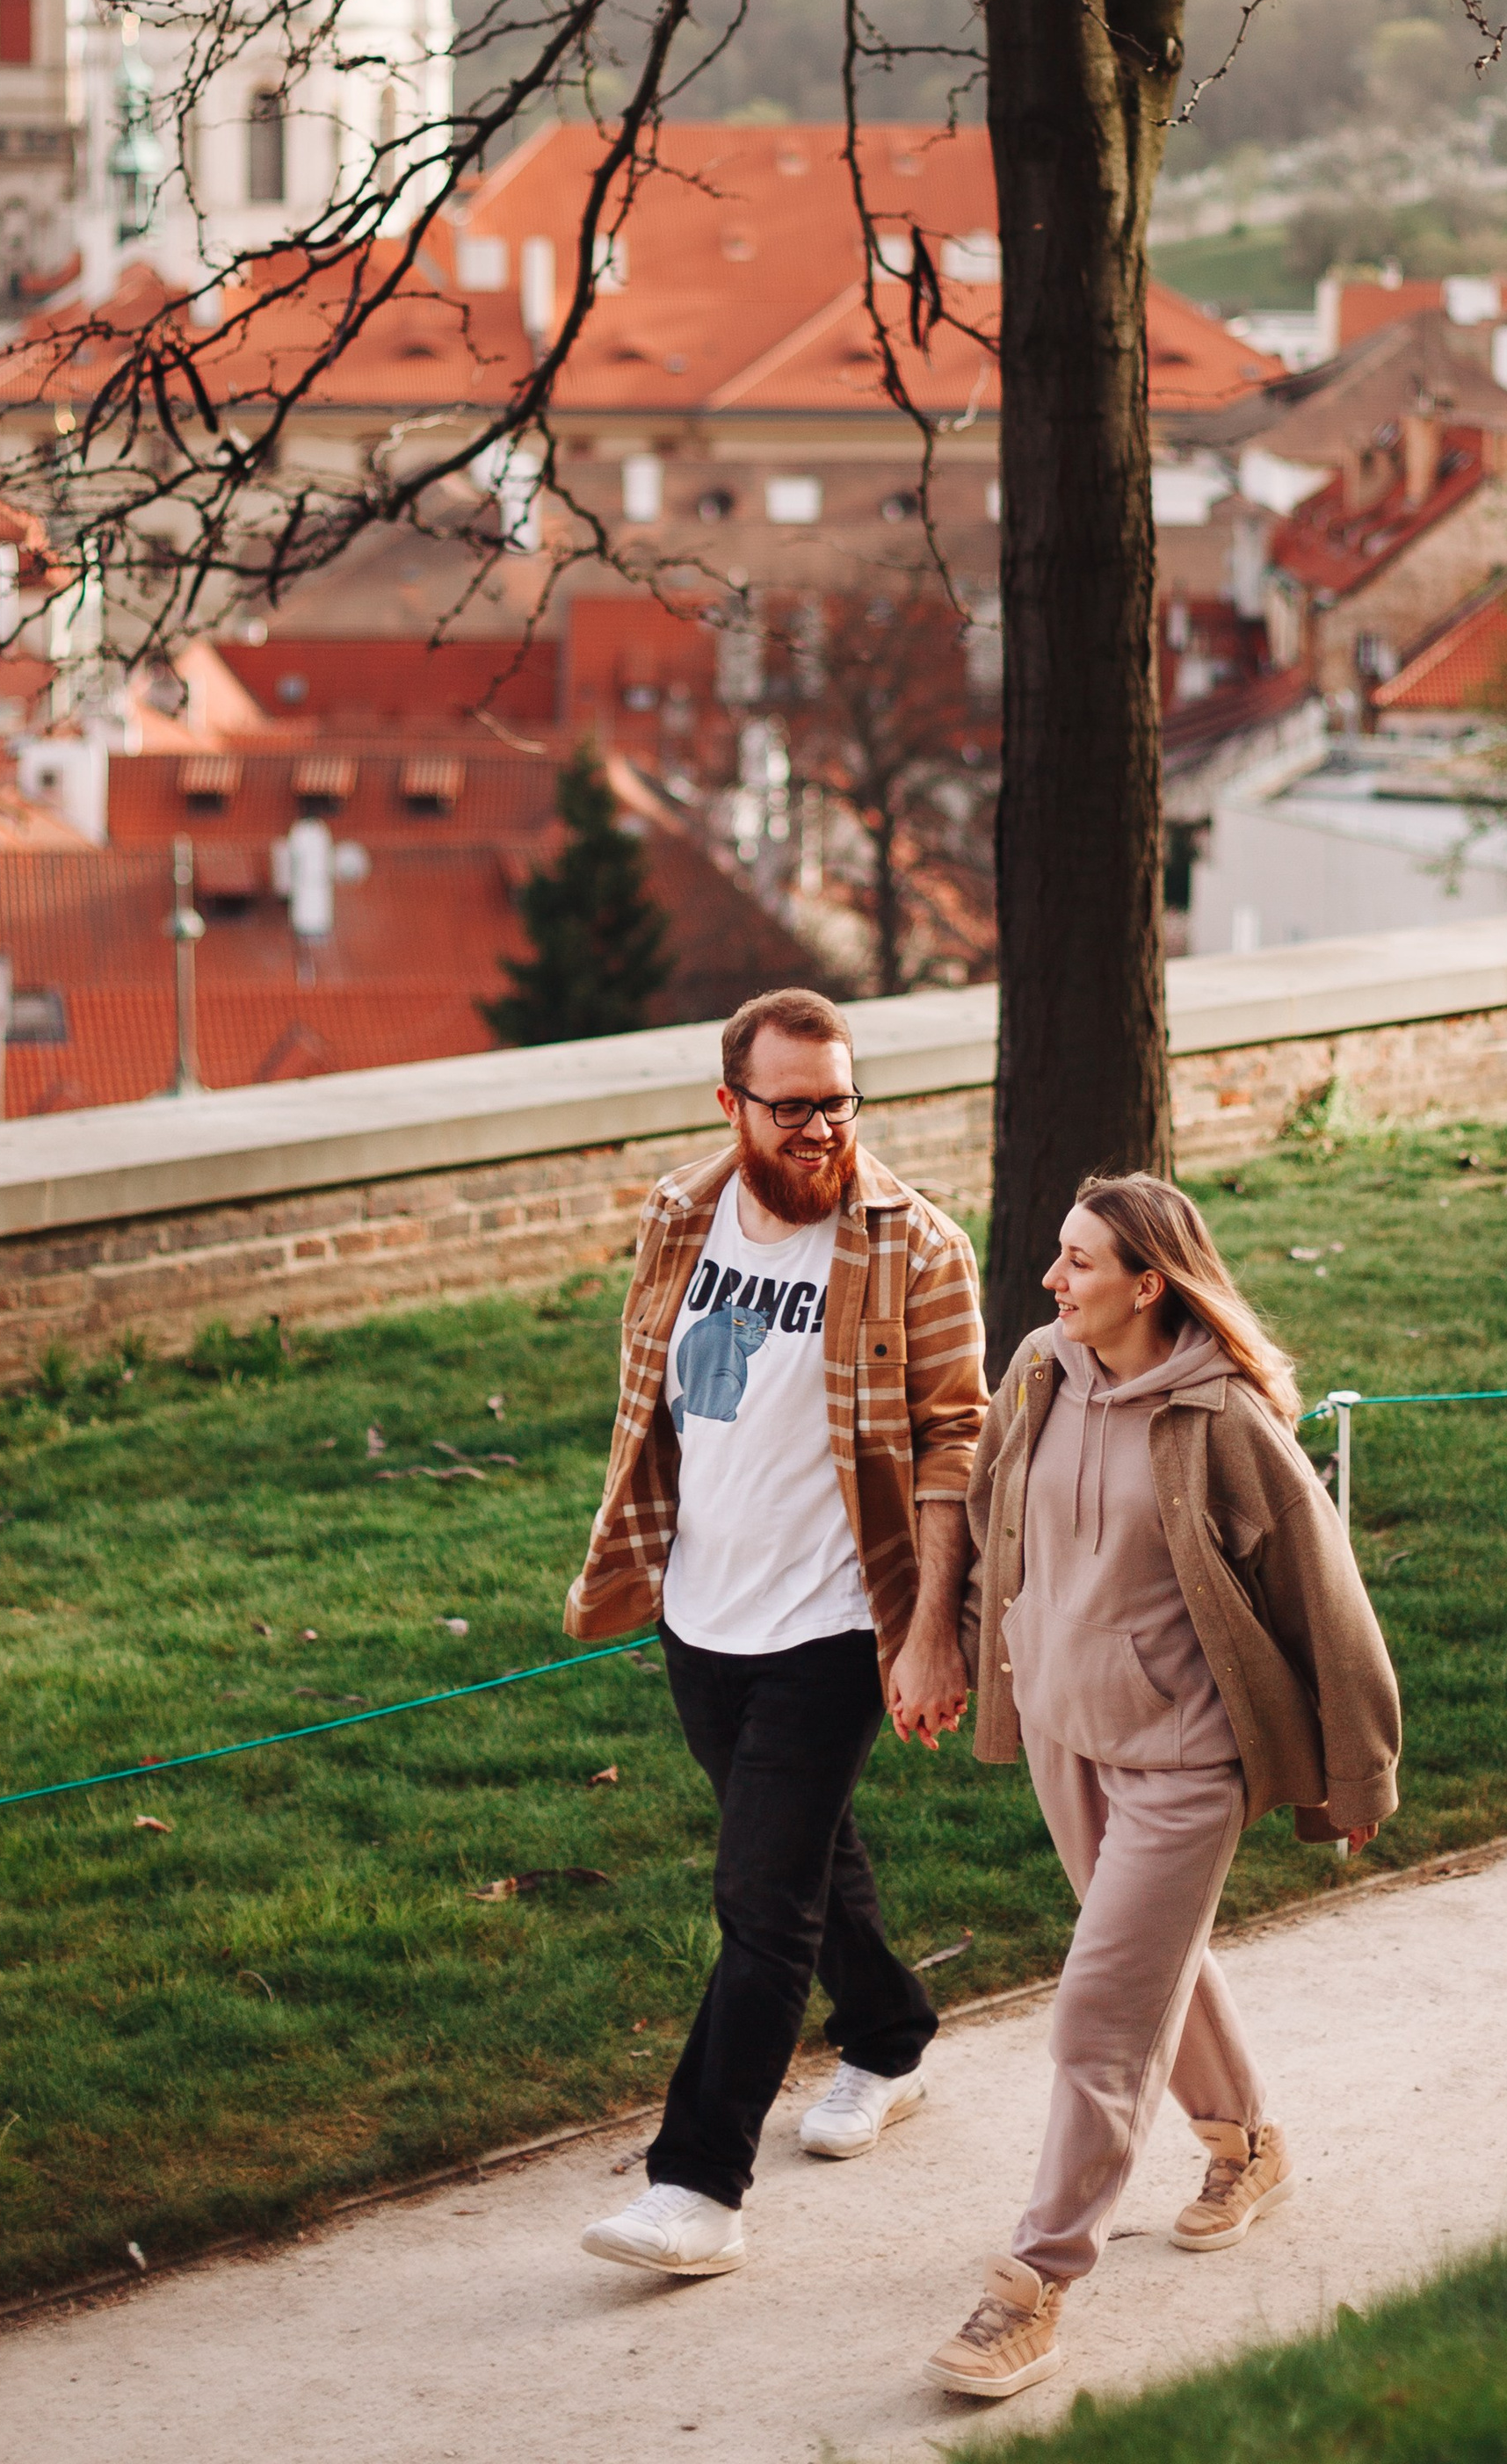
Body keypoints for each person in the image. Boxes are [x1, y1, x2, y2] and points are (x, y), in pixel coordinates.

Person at [925, 1173, 1401, 2403]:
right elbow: (992, 1511)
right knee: (1146, 1964)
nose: (1050, 1279)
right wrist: (963, 1642)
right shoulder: (1041, 1367)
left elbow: (1325, 1598)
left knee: (1101, 2016)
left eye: (1078, 1262)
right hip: (1062, 1727)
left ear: (1150, 1285)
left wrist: (1359, 1774)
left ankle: (1032, 2287)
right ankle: (1248, 2143)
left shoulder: (1221, 1419)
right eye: (1057, 1255)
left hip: (1186, 1756)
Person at [566, 984, 988, 2278]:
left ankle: (697, 2187)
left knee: (760, 1900)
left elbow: (955, 1439)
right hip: (701, 1612)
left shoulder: (915, 1248)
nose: (821, 1131)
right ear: (732, 1103)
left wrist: (929, 1631)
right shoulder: (679, 1216)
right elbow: (663, 1408)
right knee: (807, 1854)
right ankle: (890, 2037)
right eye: (793, 1107)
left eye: (840, 1104)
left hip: (833, 1619)